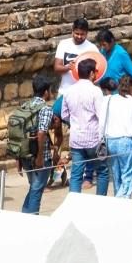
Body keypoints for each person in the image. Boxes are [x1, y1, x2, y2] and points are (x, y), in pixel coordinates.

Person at [61, 58, 110, 195]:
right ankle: (100, 200)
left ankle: (73, 204)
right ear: (91, 74)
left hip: (76, 139)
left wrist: (76, 121)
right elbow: (102, 116)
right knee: (102, 171)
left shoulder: (68, 91)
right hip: (94, 139)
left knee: (76, 175)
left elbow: (64, 115)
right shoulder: (95, 91)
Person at [19, 74, 61, 215]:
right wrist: (40, 158)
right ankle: (32, 220)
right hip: (39, 157)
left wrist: (19, 158)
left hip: (25, 154)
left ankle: (25, 215)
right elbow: (42, 133)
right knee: (37, 190)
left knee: (34, 188)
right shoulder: (45, 109)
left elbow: (20, 132)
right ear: (45, 92)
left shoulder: (25, 105)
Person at [103, 75, 132, 198]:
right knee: (128, 177)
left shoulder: (108, 100)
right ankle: (119, 202)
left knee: (117, 177)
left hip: (110, 141)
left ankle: (119, 200)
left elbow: (102, 123)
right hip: (126, 142)